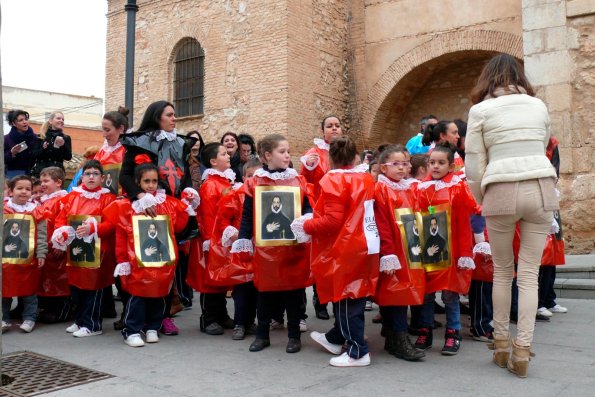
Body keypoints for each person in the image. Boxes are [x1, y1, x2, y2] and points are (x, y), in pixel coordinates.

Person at [465, 53, 559, 378]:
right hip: (541, 186)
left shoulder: (480, 110)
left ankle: (501, 341)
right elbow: (544, 144)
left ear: (487, 78)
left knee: (503, 271)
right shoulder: (538, 105)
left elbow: (474, 163)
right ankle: (523, 350)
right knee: (530, 273)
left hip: (501, 188)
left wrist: (481, 196)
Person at [294, 135, 378, 367]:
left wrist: (305, 225)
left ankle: (357, 351)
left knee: (346, 297)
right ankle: (336, 337)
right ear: (355, 157)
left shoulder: (333, 181)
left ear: (330, 157)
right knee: (354, 296)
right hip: (364, 243)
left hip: (344, 247)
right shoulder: (366, 179)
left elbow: (332, 221)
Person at [118, 100, 199, 336]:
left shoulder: (181, 143)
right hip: (144, 209)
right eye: (170, 115)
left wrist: (188, 192)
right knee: (141, 265)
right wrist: (140, 195)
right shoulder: (138, 141)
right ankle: (133, 318)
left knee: (166, 263)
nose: (175, 119)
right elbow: (125, 176)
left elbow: (182, 175)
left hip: (169, 211)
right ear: (157, 117)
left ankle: (162, 316)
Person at [232, 134, 313, 354]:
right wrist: (243, 238)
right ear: (268, 155)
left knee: (294, 294)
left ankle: (294, 335)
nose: (287, 155)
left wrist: (307, 219)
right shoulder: (255, 181)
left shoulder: (297, 180)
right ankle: (262, 335)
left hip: (292, 248)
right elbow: (248, 214)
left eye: (288, 151)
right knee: (265, 293)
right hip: (266, 249)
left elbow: (307, 207)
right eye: (282, 151)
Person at [106, 162, 191, 347]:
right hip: (136, 261)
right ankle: (132, 330)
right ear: (137, 182)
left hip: (161, 260)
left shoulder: (165, 202)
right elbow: (121, 234)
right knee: (137, 296)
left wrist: (187, 206)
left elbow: (178, 227)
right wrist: (122, 260)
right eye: (146, 181)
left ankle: (153, 326)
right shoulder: (127, 206)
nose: (151, 185)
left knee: (159, 294)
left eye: (154, 181)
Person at [414, 143, 476, 356]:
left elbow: (463, 222)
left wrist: (465, 253)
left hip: (452, 249)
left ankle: (453, 332)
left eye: (441, 163)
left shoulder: (457, 187)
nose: (436, 166)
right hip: (430, 248)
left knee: (450, 294)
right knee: (428, 294)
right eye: (432, 162)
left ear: (451, 166)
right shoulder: (421, 188)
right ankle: (425, 330)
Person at [51, 160, 117, 338]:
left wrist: (94, 228)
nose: (91, 177)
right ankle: (80, 320)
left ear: (102, 178)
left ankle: (93, 324)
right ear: (82, 177)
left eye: (95, 174)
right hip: (75, 250)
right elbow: (61, 218)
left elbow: (112, 224)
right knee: (76, 287)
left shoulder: (108, 199)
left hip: (98, 251)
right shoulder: (71, 196)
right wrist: (61, 232)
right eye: (87, 174)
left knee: (93, 289)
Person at [373, 145, 425, 361]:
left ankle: (392, 335)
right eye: (396, 164)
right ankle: (398, 340)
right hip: (393, 250)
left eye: (405, 163)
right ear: (384, 168)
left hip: (408, 248)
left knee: (400, 292)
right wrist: (388, 253)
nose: (402, 168)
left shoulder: (406, 188)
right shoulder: (382, 190)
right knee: (396, 293)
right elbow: (382, 222)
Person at [208, 158, 262, 340]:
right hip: (241, 249)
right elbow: (223, 219)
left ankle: (249, 322)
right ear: (244, 177)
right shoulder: (234, 195)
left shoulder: (265, 195)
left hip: (259, 251)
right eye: (249, 176)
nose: (253, 180)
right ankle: (239, 323)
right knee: (241, 290)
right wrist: (233, 234)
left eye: (257, 176)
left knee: (255, 289)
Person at [299, 115, 343, 320]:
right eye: (329, 126)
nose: (334, 129)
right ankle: (321, 300)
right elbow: (303, 181)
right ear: (322, 131)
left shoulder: (346, 150)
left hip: (344, 213)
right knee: (322, 256)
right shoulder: (313, 153)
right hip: (322, 211)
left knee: (340, 258)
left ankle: (338, 300)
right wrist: (307, 166)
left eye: (337, 125)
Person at [194, 142, 236, 335]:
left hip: (224, 238)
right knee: (210, 280)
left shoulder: (225, 182)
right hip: (214, 239)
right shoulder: (211, 185)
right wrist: (210, 240)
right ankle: (208, 318)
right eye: (223, 154)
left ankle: (221, 315)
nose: (228, 156)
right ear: (213, 161)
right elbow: (209, 215)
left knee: (221, 278)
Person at [2, 175, 47, 333]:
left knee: (29, 290)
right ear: (11, 190)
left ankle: (29, 318)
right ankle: (3, 318)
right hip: (6, 259)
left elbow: (42, 234)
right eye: (19, 188)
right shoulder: (4, 209)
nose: (24, 192)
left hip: (29, 259)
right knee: (4, 291)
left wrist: (41, 253)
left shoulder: (36, 210)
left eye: (28, 189)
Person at [34, 167, 72, 324]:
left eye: (46, 181)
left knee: (59, 281)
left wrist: (60, 244)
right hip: (45, 248)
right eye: (41, 181)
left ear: (58, 182)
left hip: (56, 249)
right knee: (46, 279)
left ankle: (63, 312)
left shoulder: (63, 200)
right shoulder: (44, 200)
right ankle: (47, 308)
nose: (42, 184)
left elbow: (63, 223)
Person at [31, 111, 72, 177]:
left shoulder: (66, 138)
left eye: (63, 119)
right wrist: (43, 149)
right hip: (41, 172)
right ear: (50, 121)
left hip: (57, 173)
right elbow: (34, 155)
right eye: (58, 118)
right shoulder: (40, 137)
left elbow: (68, 157)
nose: (61, 121)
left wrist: (63, 146)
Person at [4, 110, 40, 178]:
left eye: (26, 119)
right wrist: (12, 153)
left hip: (31, 173)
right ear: (14, 123)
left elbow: (38, 155)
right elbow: (2, 158)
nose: (24, 122)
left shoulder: (35, 138)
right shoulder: (6, 139)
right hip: (13, 174)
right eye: (20, 120)